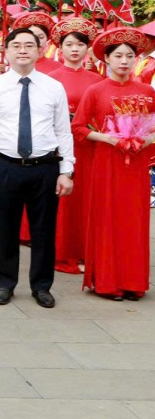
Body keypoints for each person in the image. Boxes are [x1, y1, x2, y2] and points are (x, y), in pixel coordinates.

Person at [0, 29, 74, 308]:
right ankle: (5, 284)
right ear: (6, 51)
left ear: (39, 50)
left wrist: (66, 170)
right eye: (16, 46)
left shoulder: (53, 87)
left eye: (29, 46)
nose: (22, 50)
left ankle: (42, 286)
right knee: (4, 229)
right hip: (5, 165)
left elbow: (63, 131)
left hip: (44, 167)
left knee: (43, 230)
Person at [72, 27, 155, 300]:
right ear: (106, 59)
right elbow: (80, 128)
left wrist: (145, 140)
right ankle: (107, 282)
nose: (124, 61)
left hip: (136, 166)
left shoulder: (146, 91)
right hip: (106, 163)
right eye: (118, 55)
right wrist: (110, 139)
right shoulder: (96, 91)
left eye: (129, 56)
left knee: (135, 223)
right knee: (107, 220)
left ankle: (133, 282)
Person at [47, 17, 101, 274]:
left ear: (87, 48)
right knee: (63, 200)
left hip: (89, 145)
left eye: (80, 44)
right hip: (59, 145)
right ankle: (62, 251)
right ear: (60, 48)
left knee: (86, 199)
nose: (75, 49)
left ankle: (85, 251)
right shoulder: (50, 79)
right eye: (69, 44)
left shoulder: (97, 79)